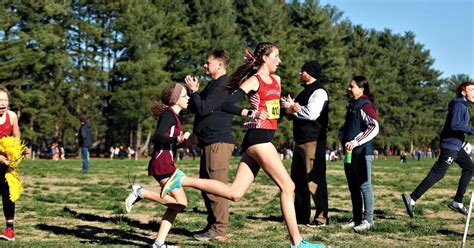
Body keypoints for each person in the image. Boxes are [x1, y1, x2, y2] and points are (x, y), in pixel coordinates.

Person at [156, 42, 324, 247]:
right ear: (265, 58)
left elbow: (274, 111)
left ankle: (182, 180)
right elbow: (227, 104)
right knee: (288, 186)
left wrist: (289, 109)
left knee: (235, 193)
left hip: (263, 137)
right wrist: (251, 113)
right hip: (258, 138)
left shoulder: (277, 80)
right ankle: (297, 242)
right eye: (276, 56)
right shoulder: (254, 81)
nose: (279, 61)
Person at [125, 83, 191, 248]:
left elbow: (169, 142)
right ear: (176, 100)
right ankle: (141, 192)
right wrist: (176, 139)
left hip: (167, 163)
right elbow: (157, 137)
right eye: (185, 95)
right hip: (162, 164)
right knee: (180, 203)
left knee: (176, 205)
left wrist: (183, 142)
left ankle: (159, 244)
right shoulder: (169, 115)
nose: (188, 98)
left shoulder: (174, 117)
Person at [402, 81, 474, 218]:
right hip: (450, 146)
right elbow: (455, 124)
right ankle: (412, 198)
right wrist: (471, 130)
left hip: (456, 146)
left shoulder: (462, 105)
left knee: (470, 168)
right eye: (472, 90)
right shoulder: (459, 105)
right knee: (437, 174)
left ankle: (457, 202)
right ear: (464, 92)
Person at [184, 49, 234, 241]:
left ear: (219, 65)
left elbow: (204, 108)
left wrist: (195, 92)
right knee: (207, 187)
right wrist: (188, 93)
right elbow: (195, 106)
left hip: (218, 143)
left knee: (216, 187)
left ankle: (220, 230)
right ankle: (213, 225)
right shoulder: (213, 85)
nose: (205, 65)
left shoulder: (224, 85)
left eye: (208, 63)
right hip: (209, 142)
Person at [282, 61, 329, 227]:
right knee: (298, 181)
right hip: (300, 141)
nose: (299, 73)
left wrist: (294, 108)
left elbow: (311, 114)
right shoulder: (303, 93)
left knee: (314, 180)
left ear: (310, 73)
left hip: (313, 142)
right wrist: (288, 108)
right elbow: (293, 114)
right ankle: (301, 216)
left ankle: (321, 218)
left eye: (302, 71)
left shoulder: (319, 92)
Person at [339, 76, 379, 232]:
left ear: (361, 89)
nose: (349, 89)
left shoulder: (365, 105)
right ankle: (356, 219)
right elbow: (349, 126)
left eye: (352, 86)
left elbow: (373, 127)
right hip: (350, 153)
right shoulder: (353, 105)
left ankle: (368, 220)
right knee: (353, 186)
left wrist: (355, 141)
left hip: (363, 152)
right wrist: (342, 135)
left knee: (364, 186)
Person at [0, 87, 21, 241]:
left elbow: (16, 136)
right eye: (0, 100)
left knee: (8, 193)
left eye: (5, 100)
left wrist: (18, 153)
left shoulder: (12, 116)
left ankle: (10, 230)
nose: (3, 103)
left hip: (7, 163)